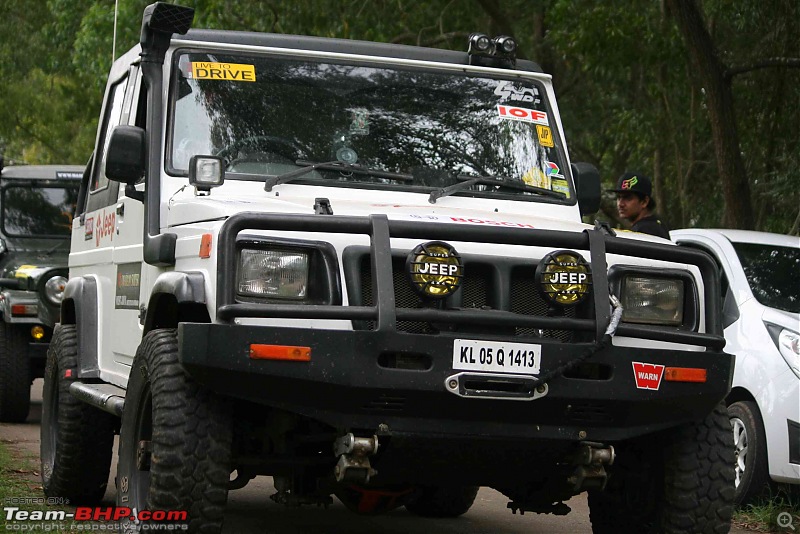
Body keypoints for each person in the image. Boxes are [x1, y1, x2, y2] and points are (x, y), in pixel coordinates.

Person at [608, 171, 670, 239]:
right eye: (619, 197)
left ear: (644, 202)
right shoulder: (656, 225)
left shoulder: (646, 231)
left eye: (628, 198)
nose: (620, 204)